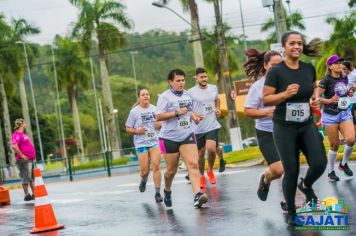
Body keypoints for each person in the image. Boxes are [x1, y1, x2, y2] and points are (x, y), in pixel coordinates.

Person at [263, 31, 327, 226]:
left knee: (319, 163)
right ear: (284, 46)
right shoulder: (276, 71)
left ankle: (306, 185)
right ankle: (291, 210)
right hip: (284, 127)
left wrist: (315, 96)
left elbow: (314, 84)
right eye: (292, 43)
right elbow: (266, 99)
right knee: (291, 169)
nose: (297, 47)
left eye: (300, 43)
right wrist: (284, 94)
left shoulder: (308, 68)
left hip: (306, 124)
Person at [156, 69, 208, 208]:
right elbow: (158, 116)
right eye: (178, 81)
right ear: (171, 82)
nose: (181, 83)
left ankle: (198, 194)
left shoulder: (187, 95)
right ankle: (167, 190)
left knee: (193, 164)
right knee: (171, 171)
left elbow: (189, 112)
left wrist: (195, 117)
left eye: (183, 80)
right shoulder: (165, 97)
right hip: (167, 138)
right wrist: (176, 112)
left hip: (187, 134)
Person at [243, 49, 284, 202]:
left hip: (286, 131)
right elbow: (248, 110)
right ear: (266, 66)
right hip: (266, 133)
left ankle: (288, 203)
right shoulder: (258, 87)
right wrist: (268, 113)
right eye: (274, 65)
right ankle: (265, 179)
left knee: (289, 168)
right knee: (278, 170)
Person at [318, 55, 355, 181]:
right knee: (334, 145)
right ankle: (330, 171)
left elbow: (343, 92)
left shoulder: (344, 77)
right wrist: (328, 100)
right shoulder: (325, 80)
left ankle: (343, 164)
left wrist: (349, 92)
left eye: (340, 62)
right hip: (330, 115)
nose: (340, 64)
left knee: (351, 139)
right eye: (336, 63)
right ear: (330, 66)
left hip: (344, 112)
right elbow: (316, 97)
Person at [125, 89, 163, 203]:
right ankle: (144, 180)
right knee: (145, 171)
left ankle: (157, 193)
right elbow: (127, 128)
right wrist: (137, 131)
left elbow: (161, 123)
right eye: (143, 94)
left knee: (156, 166)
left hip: (154, 141)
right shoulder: (134, 112)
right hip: (141, 143)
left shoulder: (155, 109)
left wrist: (159, 125)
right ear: (139, 97)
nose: (146, 96)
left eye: (147, 94)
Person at [188, 67, 222, 189]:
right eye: (201, 77)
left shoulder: (213, 88)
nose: (204, 79)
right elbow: (187, 108)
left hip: (212, 124)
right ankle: (201, 175)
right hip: (198, 128)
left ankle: (210, 170)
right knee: (200, 154)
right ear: (196, 78)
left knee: (212, 149)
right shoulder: (191, 92)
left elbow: (217, 100)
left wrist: (217, 109)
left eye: (205, 76)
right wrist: (194, 116)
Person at [11, 118, 36, 201]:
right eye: (24, 122)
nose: (25, 124)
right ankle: (27, 195)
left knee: (31, 177)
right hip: (23, 160)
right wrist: (21, 155)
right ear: (21, 124)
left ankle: (34, 193)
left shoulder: (23, 134)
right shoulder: (16, 134)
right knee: (25, 177)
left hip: (29, 159)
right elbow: (14, 146)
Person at [342, 61, 356, 131]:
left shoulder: (354, 74)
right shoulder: (341, 75)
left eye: (345, 69)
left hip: (353, 100)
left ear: (349, 68)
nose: (343, 71)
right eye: (342, 69)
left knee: (352, 118)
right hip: (343, 99)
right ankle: (342, 138)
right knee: (341, 117)